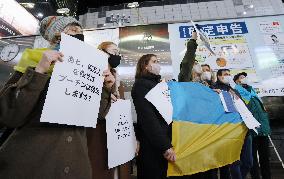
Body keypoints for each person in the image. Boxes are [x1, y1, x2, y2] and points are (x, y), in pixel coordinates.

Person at [0, 16, 115, 179]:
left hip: (76, 163)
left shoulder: (85, 70)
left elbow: (98, 115)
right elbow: (8, 116)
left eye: (81, 31)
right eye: (73, 29)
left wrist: (106, 88)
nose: (79, 34)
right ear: (55, 34)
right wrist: (39, 70)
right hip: (34, 164)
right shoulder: (32, 62)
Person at [87, 41, 130, 179]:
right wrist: (105, 91)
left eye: (118, 52)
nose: (116, 55)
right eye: (113, 51)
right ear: (102, 52)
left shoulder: (119, 82)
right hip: (97, 133)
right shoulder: (91, 75)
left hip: (116, 132)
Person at [131, 54, 175, 179]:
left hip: (162, 140)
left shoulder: (156, 84)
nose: (158, 64)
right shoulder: (141, 85)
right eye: (154, 61)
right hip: (153, 144)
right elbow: (149, 119)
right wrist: (165, 146)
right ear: (145, 66)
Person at [211, 69, 253, 179]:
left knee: (248, 162)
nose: (228, 76)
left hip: (244, 130)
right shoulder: (213, 89)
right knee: (234, 164)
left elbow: (243, 106)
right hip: (229, 132)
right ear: (219, 76)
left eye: (229, 74)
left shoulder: (233, 88)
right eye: (225, 75)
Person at [233, 72, 271, 179]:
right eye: (241, 77)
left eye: (245, 77)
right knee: (252, 159)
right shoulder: (236, 92)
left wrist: (266, 126)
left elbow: (262, 110)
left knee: (265, 157)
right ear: (237, 81)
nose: (244, 78)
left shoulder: (252, 91)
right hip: (250, 130)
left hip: (263, 129)